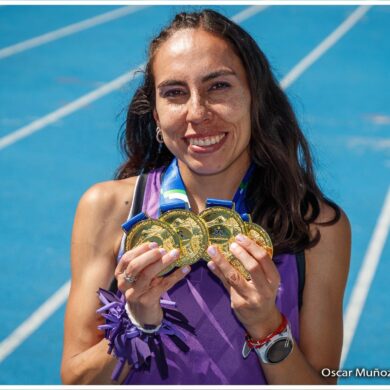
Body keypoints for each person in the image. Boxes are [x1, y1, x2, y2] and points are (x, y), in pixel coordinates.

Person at [60, 9, 351, 385]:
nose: (197, 113)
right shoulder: (107, 208)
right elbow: (74, 380)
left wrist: (265, 325)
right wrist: (135, 323)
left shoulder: (317, 228)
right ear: (156, 114)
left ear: (255, 98)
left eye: (219, 86)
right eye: (175, 93)